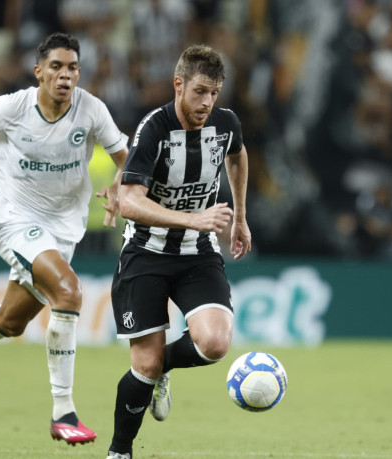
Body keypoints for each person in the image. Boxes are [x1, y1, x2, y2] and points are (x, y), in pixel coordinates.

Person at [0, 32, 129, 446]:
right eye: (56, 66)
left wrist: (120, 189)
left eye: (72, 67)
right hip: (15, 219)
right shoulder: (11, 107)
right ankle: (63, 413)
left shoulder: (91, 110)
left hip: (62, 229)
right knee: (68, 292)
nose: (65, 75)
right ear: (39, 72)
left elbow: (126, 157)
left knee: (10, 323)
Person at [106, 44, 252, 459]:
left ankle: (165, 368)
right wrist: (192, 219)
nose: (207, 102)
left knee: (215, 344)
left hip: (197, 255)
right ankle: (120, 452)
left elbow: (238, 156)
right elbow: (128, 201)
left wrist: (239, 216)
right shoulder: (153, 129)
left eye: (215, 93)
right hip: (146, 253)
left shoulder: (225, 124)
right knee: (144, 365)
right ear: (179, 84)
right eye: (200, 91)